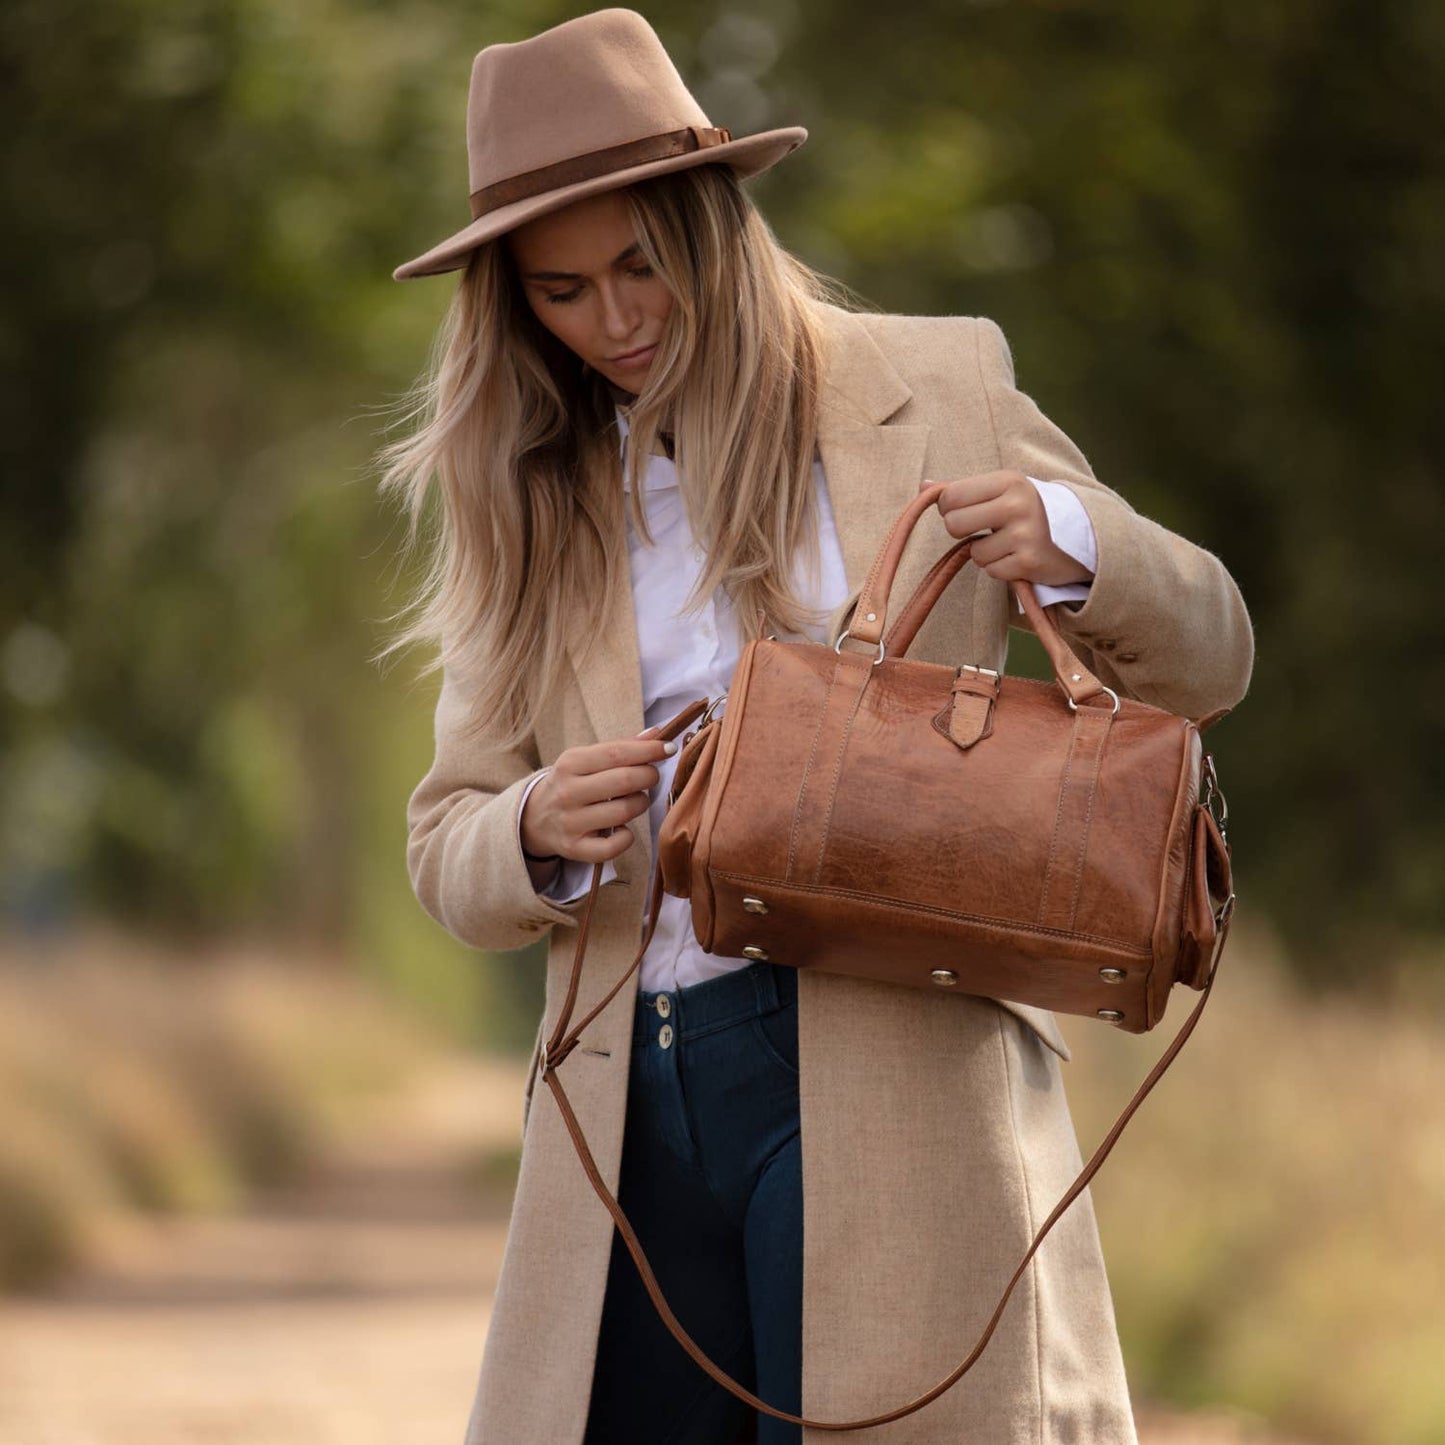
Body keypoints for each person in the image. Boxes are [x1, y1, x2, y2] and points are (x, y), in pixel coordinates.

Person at [381, 10, 1253, 1444]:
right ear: (513, 305)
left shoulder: (932, 394)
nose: (615, 320)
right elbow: (444, 840)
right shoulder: (530, 495)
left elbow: (1211, 651)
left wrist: (1069, 535)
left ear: (711, 228)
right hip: (630, 1096)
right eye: (562, 290)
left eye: (641, 264)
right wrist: (529, 831)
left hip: (885, 1057)